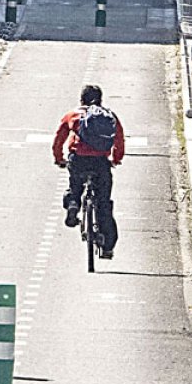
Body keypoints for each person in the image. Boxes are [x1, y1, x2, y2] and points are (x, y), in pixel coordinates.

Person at [53, 84, 125, 259]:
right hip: (101, 162)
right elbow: (119, 139)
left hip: (78, 160)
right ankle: (107, 246)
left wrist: (59, 158)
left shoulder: (73, 115)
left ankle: (73, 203)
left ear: (81, 99)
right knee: (104, 204)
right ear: (101, 99)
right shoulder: (109, 117)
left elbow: (59, 139)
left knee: (75, 186)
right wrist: (116, 159)